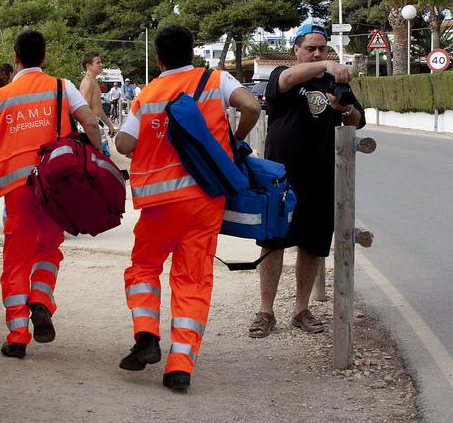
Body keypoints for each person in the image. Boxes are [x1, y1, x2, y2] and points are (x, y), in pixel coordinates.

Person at [0, 30, 101, 359]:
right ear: (44, 57)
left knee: (16, 261)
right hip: (56, 186)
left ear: (15, 59)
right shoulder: (62, 86)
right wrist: (99, 163)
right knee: (49, 249)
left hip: (19, 191)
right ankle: (40, 301)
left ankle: (17, 336)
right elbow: (90, 124)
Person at [115, 25, 261, 391]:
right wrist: (231, 140)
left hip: (160, 204)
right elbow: (252, 106)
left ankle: (147, 336)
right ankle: (180, 366)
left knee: (145, 266)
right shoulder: (216, 80)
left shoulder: (147, 94)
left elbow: (125, 143)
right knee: (192, 279)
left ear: (159, 59)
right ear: (193, 54)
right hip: (205, 200)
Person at [248, 23, 366, 338]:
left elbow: (357, 121)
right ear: (296, 51)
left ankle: (301, 310)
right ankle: (265, 311)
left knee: (312, 245)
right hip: (280, 178)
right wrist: (326, 64)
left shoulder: (334, 82)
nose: (316, 52)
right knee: (273, 242)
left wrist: (345, 109)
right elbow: (285, 81)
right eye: (310, 48)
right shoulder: (282, 75)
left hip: (320, 176)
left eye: (322, 48)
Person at [79, 51, 116, 156]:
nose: (101, 65)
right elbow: (84, 111)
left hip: (95, 125)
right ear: (88, 66)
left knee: (103, 160)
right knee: (98, 161)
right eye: (98, 63)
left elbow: (98, 109)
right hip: (90, 128)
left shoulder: (94, 82)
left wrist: (109, 124)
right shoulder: (88, 83)